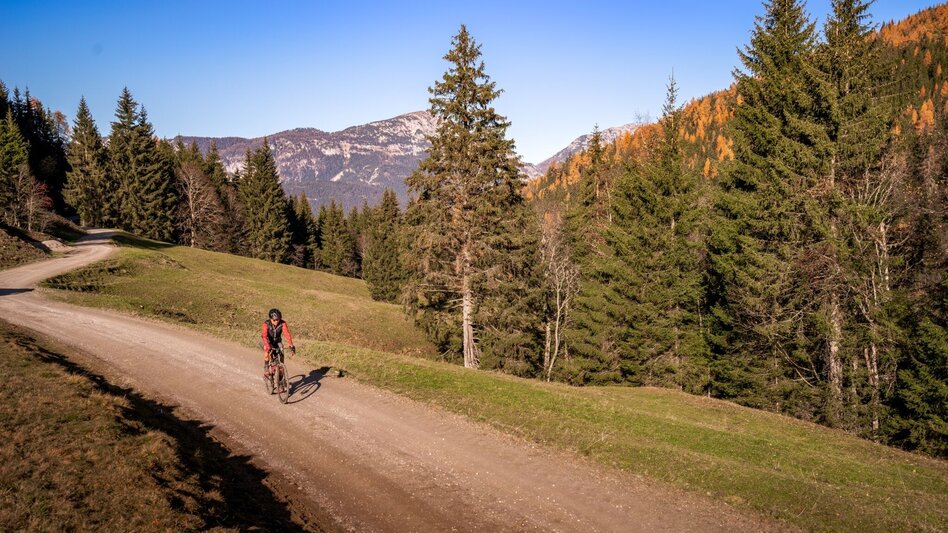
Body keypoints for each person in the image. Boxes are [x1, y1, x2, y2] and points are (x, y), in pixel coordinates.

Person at [261, 308, 295, 378]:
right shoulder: (266, 324)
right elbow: (264, 336)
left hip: (278, 341)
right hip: (267, 341)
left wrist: (291, 345)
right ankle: (267, 367)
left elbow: (287, 334)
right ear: (270, 319)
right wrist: (267, 345)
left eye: (278, 319)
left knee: (282, 358)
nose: (276, 321)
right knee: (266, 352)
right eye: (274, 320)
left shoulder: (283, 323)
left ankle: (281, 381)